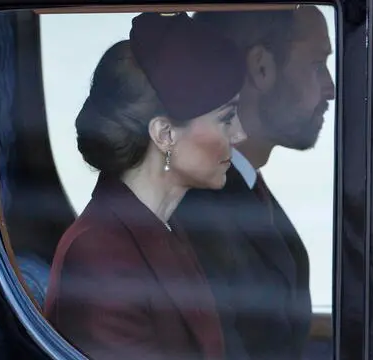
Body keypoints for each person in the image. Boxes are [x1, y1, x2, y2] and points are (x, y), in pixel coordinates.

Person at [43, 12, 246, 360]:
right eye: (226, 118)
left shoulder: (164, 228)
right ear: (165, 134)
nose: (241, 134)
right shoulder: (100, 254)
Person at [174, 6, 335, 359]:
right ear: (261, 67)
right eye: (317, 63)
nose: (331, 89)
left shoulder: (241, 189)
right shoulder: (195, 210)